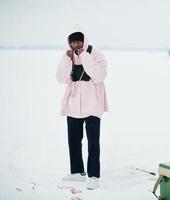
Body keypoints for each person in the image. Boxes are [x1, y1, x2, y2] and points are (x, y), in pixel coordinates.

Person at [56, 25, 108, 190]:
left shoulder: (94, 53)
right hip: (73, 103)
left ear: (83, 41)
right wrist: (66, 59)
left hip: (92, 102)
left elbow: (100, 76)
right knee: (73, 140)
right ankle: (77, 172)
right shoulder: (68, 55)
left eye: (78, 42)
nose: (76, 46)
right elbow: (61, 78)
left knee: (93, 142)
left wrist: (84, 56)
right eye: (73, 43)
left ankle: (94, 176)